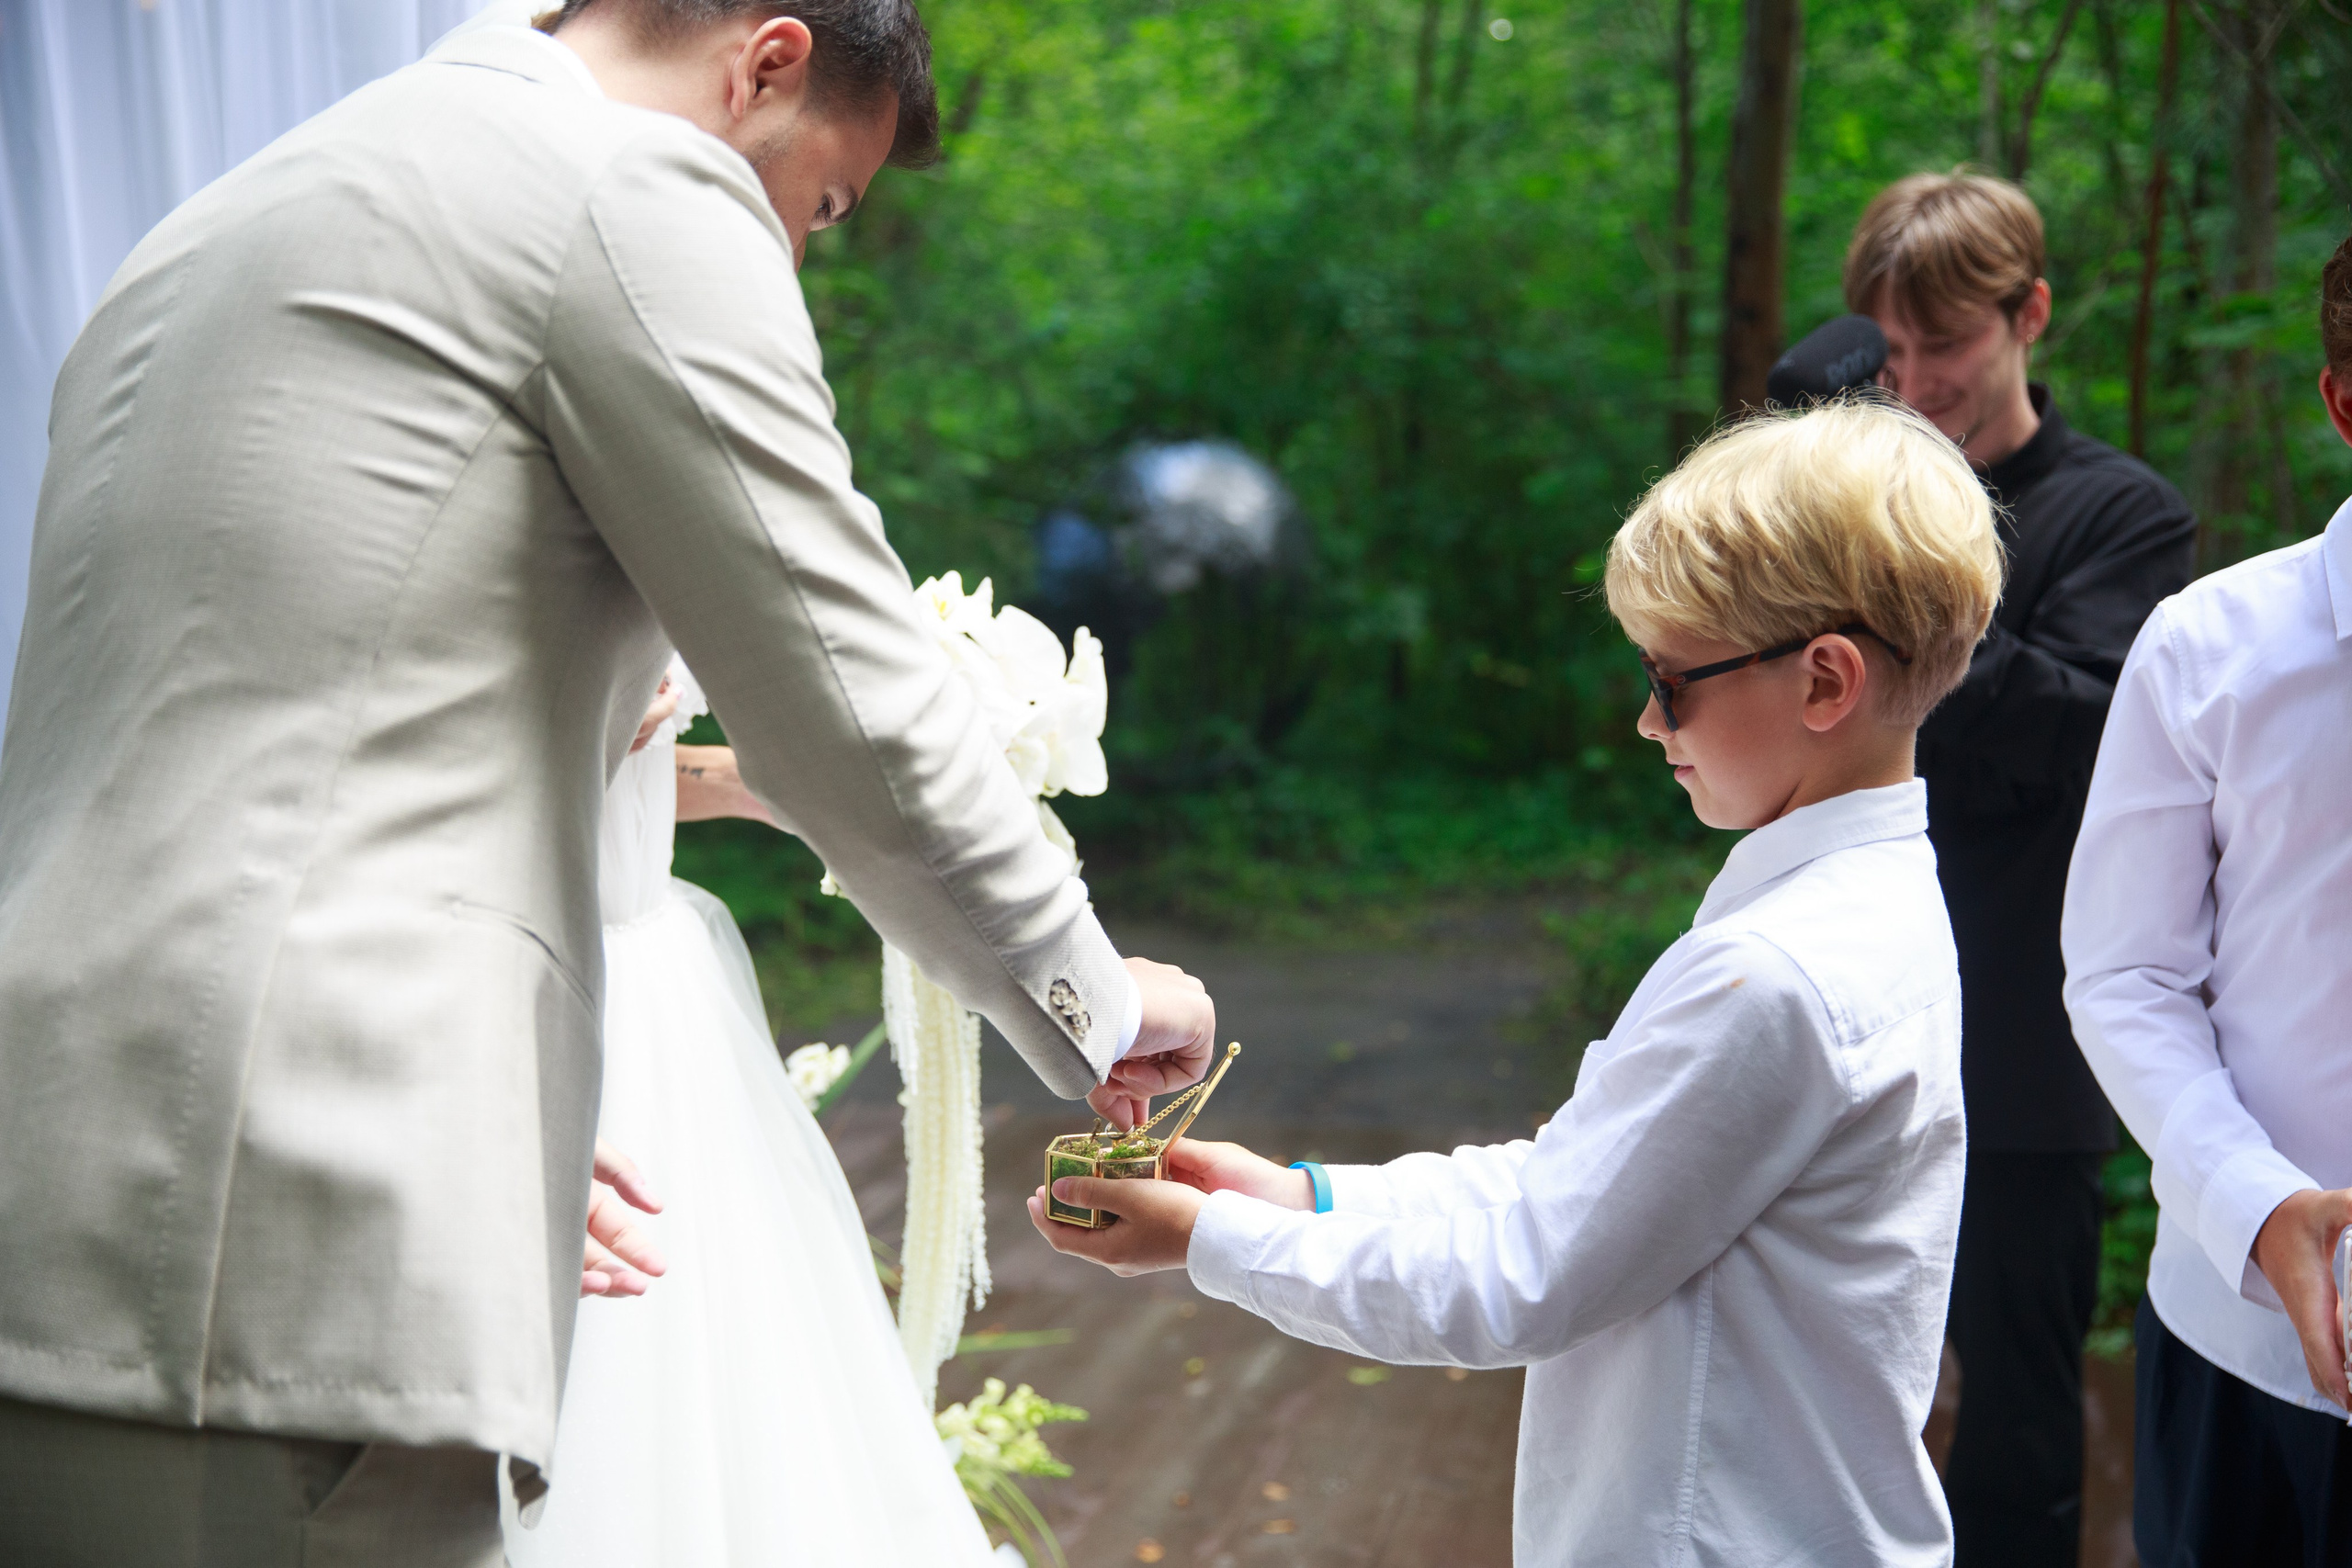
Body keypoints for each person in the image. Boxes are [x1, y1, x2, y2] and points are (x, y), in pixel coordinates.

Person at [0, 3, 1219, 1562]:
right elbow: (849, 704)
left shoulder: (214, 228)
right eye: (817, 205)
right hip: (291, 1219)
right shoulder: (627, 188)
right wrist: (1101, 996)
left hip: (49, 1179)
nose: (789, 261)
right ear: (764, 61)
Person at [1031, 399, 2002, 1567]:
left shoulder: (1774, 977)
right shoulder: (1870, 899)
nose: (1648, 719)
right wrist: (1295, 1198)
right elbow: (1582, 1182)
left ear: (1824, 681)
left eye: (1674, 678)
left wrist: (1209, 1244)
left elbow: (1524, 1278)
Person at [1845, 169, 2199, 1566]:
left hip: (2024, 1049)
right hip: (1850, 1015)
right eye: (1891, 349)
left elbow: (2071, 736)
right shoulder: (1855, 488)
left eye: (1950, 343)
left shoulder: (2126, 517)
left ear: (2029, 313)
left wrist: (1886, 588)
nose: (1918, 379)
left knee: (2015, 1430)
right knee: (1830, 1385)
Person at [503, 661, 1000, 1563]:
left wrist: (743, 781)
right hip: (545, 980)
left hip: (668, 998)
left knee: (745, 1357)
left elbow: (626, 772)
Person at [2062, 233, 2352, 1565]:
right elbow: (2125, 975)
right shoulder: (2210, 649)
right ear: (2344, 402)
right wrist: (2254, 1199)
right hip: (2243, 1351)